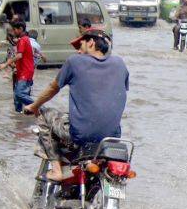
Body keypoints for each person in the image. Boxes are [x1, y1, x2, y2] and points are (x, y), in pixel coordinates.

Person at [23, 29, 129, 182]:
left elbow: (53, 88)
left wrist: (34, 106)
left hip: (81, 134)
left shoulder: (74, 61)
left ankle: (56, 170)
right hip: (112, 137)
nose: (78, 51)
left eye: (80, 46)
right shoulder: (119, 64)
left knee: (44, 115)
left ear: (91, 43)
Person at [0, 20, 34, 112]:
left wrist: (5, 64)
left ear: (20, 29)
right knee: (17, 98)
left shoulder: (23, 40)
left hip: (25, 72)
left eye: (15, 30)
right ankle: (19, 119)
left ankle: (40, 107)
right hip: (22, 71)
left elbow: (19, 55)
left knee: (19, 94)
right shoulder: (24, 39)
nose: (13, 32)